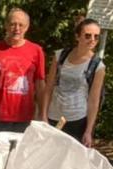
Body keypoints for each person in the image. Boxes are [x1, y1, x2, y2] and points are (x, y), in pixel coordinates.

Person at [41, 18, 105, 147]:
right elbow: (48, 89)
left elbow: (93, 101)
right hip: (53, 116)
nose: (92, 39)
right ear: (77, 36)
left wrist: (88, 131)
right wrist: (43, 116)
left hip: (77, 120)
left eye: (96, 37)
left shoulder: (98, 66)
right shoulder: (60, 56)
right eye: (87, 35)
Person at [0, 8, 45, 135]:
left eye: (21, 25)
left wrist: (42, 113)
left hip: (24, 118)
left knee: (20, 154)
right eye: (13, 24)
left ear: (27, 27)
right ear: (6, 25)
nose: (17, 28)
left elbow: (40, 84)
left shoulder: (36, 50)